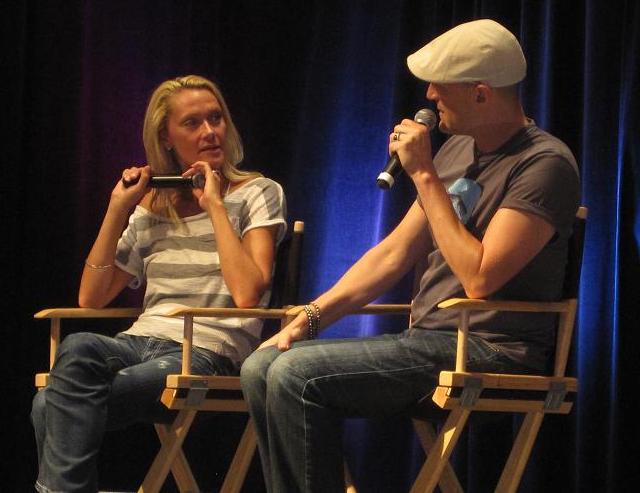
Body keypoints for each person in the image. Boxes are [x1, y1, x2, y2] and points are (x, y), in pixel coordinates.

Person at [240, 19, 580, 493]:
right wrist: (311, 317)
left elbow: (480, 278)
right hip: (430, 341)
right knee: (260, 368)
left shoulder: (544, 165)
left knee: (296, 375)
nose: (429, 95)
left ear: (481, 94)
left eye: (441, 85)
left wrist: (424, 176)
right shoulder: (457, 149)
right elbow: (394, 253)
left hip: (493, 350)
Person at [31, 75, 287, 493]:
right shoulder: (152, 206)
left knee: (49, 404)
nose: (210, 131)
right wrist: (118, 209)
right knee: (78, 346)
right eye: (192, 123)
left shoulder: (258, 192)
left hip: (205, 351)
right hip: (138, 343)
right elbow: (91, 297)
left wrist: (215, 206)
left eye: (216, 118)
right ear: (166, 138)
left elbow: (247, 294)